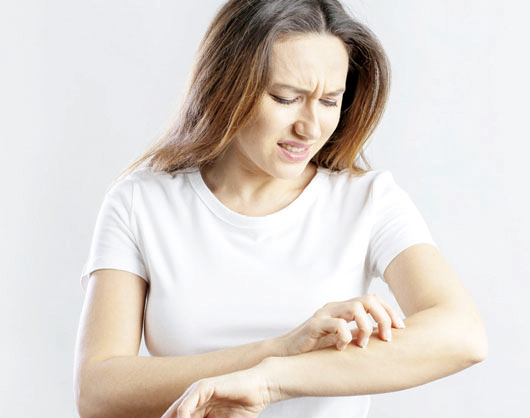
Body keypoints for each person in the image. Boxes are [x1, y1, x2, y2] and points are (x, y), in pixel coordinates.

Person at [74, 0, 488, 417]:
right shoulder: (140, 201)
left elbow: (463, 334)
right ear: (226, 86)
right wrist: (278, 348)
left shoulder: (368, 200)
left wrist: (271, 379)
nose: (310, 128)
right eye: (286, 98)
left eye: (329, 101)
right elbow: (98, 391)